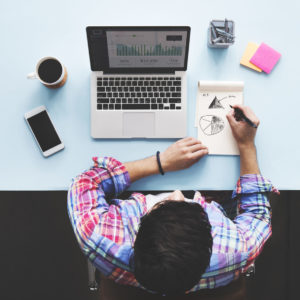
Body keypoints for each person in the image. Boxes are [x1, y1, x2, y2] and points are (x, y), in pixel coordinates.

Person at [67, 105, 278, 296]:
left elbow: (86, 183)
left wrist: (161, 162)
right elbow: (257, 214)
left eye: (165, 203)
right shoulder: (236, 251)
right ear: (211, 239)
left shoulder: (98, 238)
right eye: (190, 203)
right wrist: (246, 144)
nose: (177, 191)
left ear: (138, 231)